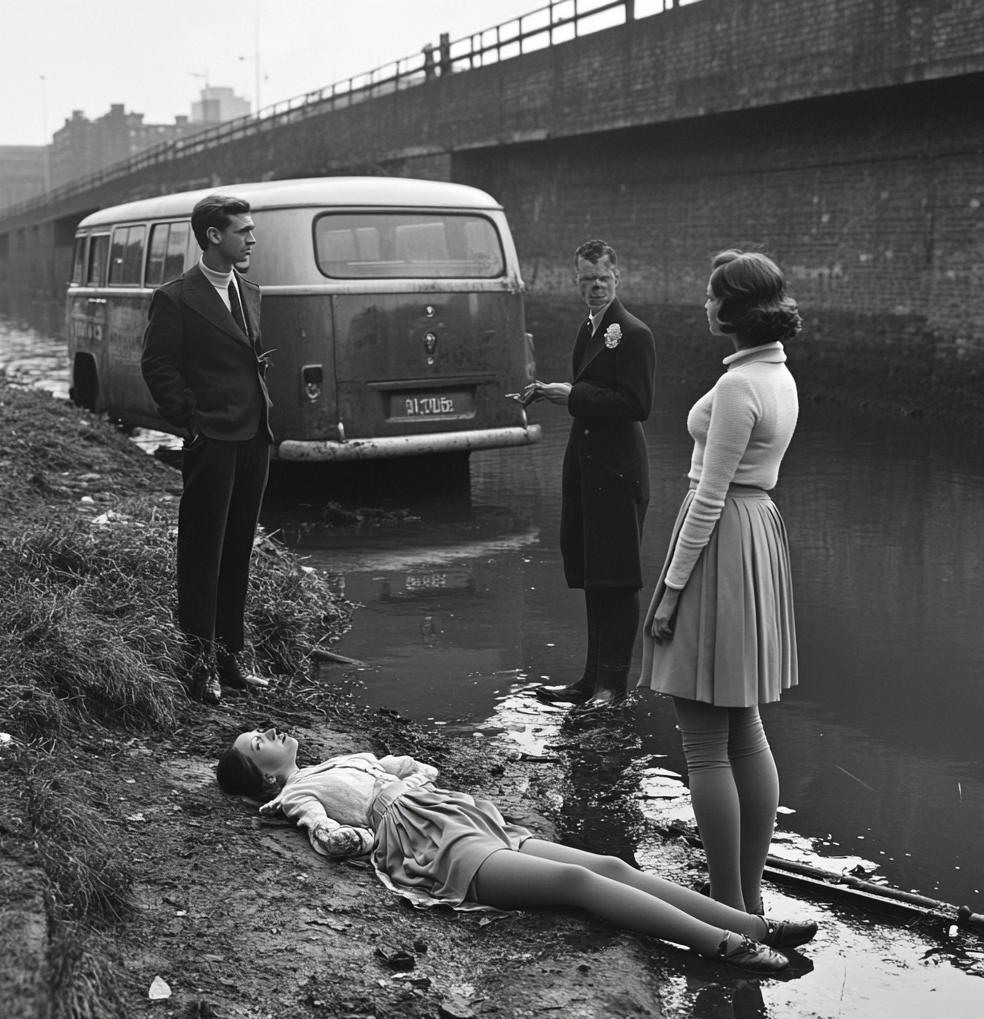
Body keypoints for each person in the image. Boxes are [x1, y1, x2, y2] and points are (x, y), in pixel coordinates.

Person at [217, 728, 817, 973]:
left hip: (462, 815)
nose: (268, 732)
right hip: (434, 846)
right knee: (577, 886)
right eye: (256, 743)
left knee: (609, 865)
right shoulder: (298, 793)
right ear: (265, 776)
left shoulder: (333, 761)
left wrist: (407, 776)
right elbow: (327, 836)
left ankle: (754, 925)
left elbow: (404, 764)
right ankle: (727, 946)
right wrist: (358, 836)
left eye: (262, 729)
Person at [639, 249, 802, 915]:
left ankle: (731, 908)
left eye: (712, 296)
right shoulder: (778, 375)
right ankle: (749, 896)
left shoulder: (738, 388)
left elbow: (708, 498)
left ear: (733, 309)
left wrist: (671, 592)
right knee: (745, 729)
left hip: (721, 540)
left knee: (705, 743)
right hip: (756, 534)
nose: (705, 306)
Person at [141, 194, 273, 705]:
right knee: (203, 551)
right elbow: (158, 367)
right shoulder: (175, 297)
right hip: (212, 438)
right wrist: (191, 424)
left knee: (238, 546)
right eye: (243, 231)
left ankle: (231, 658)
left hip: (254, 434)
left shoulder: (250, 290)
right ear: (214, 236)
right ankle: (198, 666)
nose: (252, 239)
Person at [535, 240, 656, 707]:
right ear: (576, 280)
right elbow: (586, 391)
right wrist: (554, 394)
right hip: (587, 465)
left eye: (603, 279)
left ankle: (613, 686)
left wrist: (573, 397)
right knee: (594, 573)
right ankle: (590, 680)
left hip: (617, 469)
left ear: (617, 278)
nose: (595, 287)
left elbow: (638, 405)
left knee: (619, 576)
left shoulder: (634, 332)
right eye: (587, 280)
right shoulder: (588, 329)